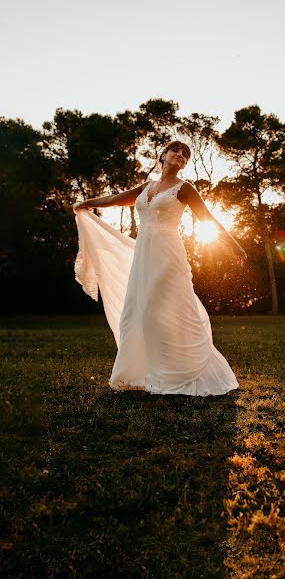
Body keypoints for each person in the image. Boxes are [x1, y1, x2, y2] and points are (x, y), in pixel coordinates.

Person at [72, 140, 247, 396]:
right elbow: (116, 199)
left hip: (168, 255)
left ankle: (175, 373)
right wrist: (87, 203)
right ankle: (144, 372)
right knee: (137, 311)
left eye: (186, 154)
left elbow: (207, 218)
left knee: (160, 310)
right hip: (143, 256)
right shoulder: (147, 187)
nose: (181, 155)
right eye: (176, 150)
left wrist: (235, 246)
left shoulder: (184, 189)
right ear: (162, 155)